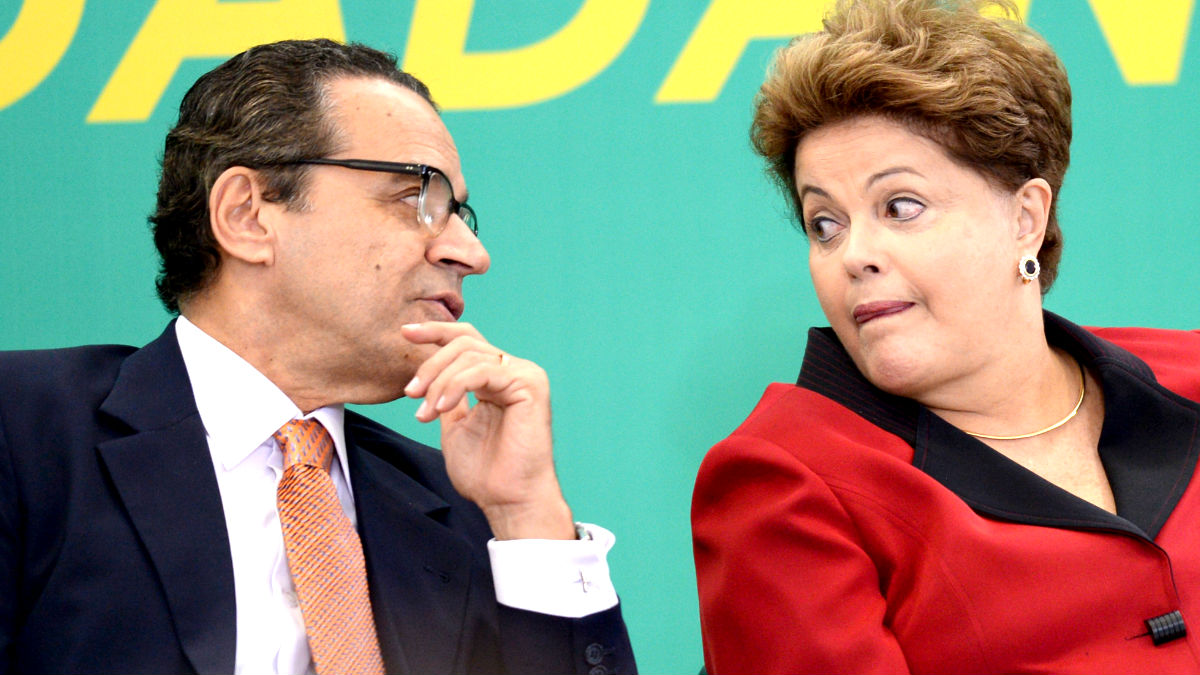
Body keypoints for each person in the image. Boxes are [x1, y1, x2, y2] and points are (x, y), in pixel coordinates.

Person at [0, 39, 635, 675]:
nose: (470, 253)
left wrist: (527, 517)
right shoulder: (24, 434)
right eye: (417, 198)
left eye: (460, 214)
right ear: (247, 216)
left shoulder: (458, 511)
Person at [691, 0, 1200, 673]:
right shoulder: (783, 481)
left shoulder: (1188, 371)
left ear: (1025, 217)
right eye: (825, 224)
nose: (854, 255)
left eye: (900, 207)